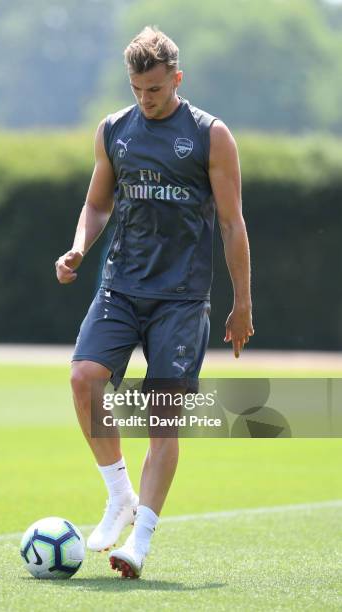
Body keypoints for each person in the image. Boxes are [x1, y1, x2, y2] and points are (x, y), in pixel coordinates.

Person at [55, 26, 254, 578]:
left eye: (157, 90)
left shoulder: (211, 136)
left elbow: (233, 223)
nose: (147, 99)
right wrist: (77, 249)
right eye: (139, 89)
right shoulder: (114, 130)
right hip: (121, 286)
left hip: (182, 299)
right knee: (83, 379)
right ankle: (119, 494)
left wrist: (243, 303)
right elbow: (97, 205)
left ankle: (138, 542)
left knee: (163, 418)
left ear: (177, 79)